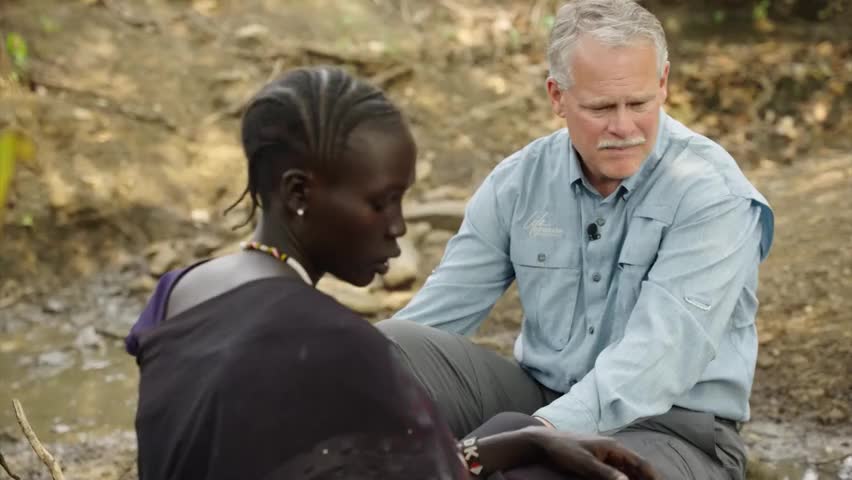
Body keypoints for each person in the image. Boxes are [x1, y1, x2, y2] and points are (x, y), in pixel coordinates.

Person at [124, 66, 659, 480]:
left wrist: (530, 437)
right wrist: (532, 452)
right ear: (298, 194)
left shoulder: (180, 291)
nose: (399, 227)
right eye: (380, 203)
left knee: (513, 432)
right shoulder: (335, 343)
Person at [378, 1, 775, 479]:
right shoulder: (518, 182)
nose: (624, 127)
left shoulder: (712, 195)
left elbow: (654, 362)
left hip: (674, 431)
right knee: (383, 352)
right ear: (557, 96)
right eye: (601, 107)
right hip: (541, 393)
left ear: (664, 83)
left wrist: (529, 438)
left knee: (538, 474)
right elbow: (437, 315)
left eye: (640, 103)